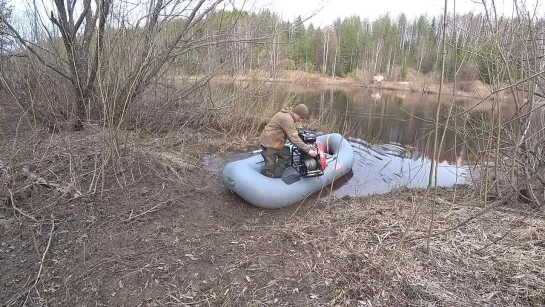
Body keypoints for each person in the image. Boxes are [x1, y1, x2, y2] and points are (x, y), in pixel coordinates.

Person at [258, 104, 318, 178]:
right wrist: (308, 150)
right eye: (301, 117)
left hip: (275, 141)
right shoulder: (287, 119)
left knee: (286, 155)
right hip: (270, 143)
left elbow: (290, 131)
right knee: (270, 166)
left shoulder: (287, 114)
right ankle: (269, 179)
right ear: (297, 113)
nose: (300, 120)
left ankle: (277, 175)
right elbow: (293, 138)